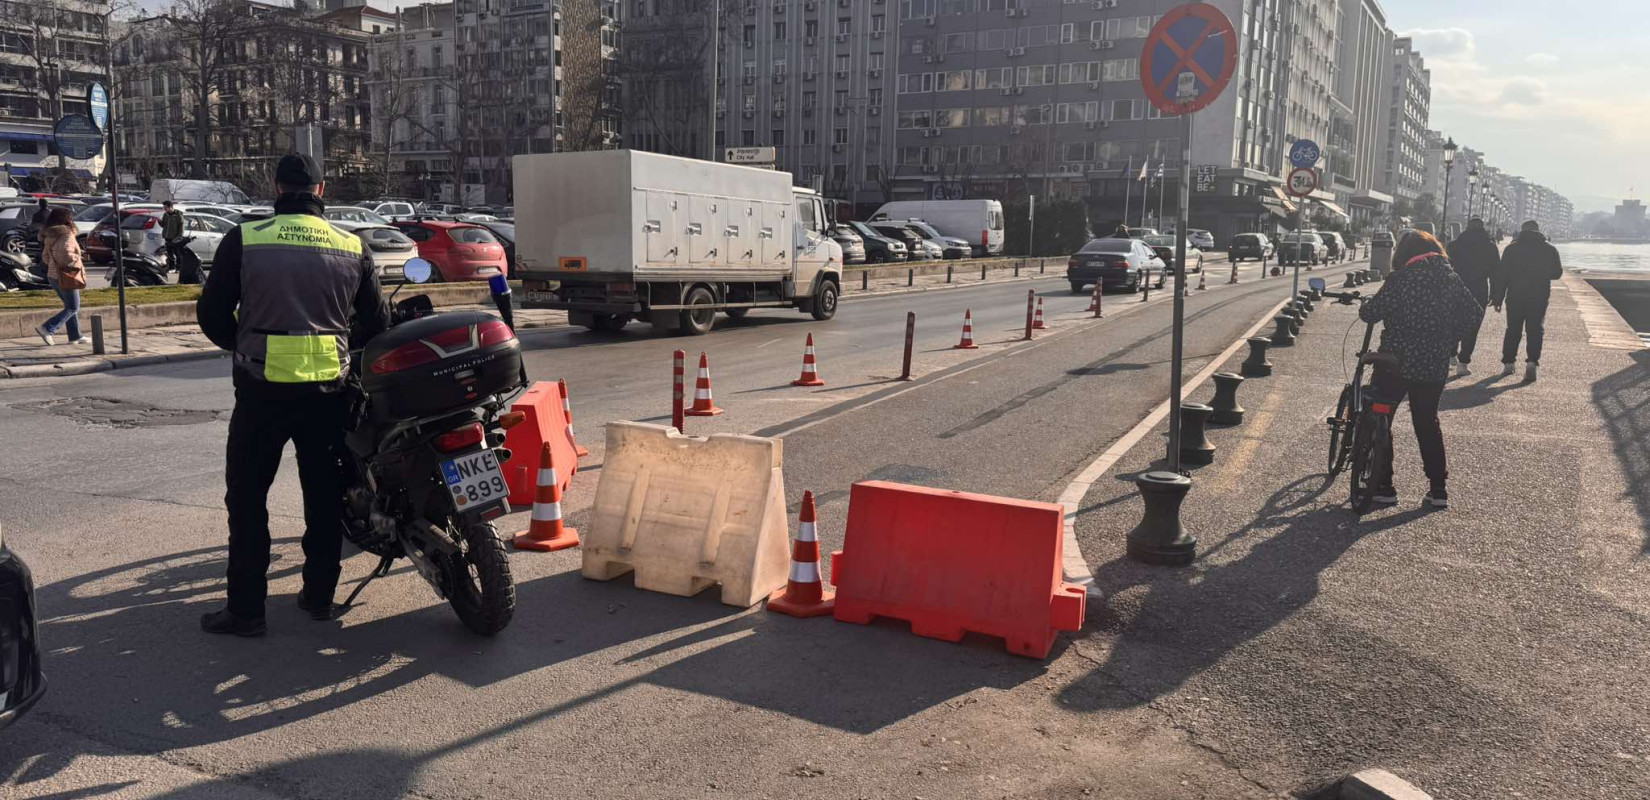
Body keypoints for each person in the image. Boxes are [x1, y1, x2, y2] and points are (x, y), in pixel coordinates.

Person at [196, 153, 389, 637]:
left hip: (261, 393)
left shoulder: (246, 238)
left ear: (276, 187)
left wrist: (243, 344)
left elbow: (213, 313)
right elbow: (376, 324)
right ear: (321, 191)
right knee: (323, 498)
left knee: (247, 501)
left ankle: (246, 612)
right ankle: (319, 597)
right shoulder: (351, 245)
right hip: (327, 394)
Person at [1358, 230, 1484, 509]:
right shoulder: (1451, 279)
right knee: (1427, 423)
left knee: (1381, 415)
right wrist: (1450, 339)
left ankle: (1383, 485)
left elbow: (1370, 313)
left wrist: (1369, 306)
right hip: (1433, 363)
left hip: (1395, 361)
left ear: (1403, 254)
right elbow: (1474, 313)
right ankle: (1438, 490)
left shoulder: (1401, 278)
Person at [1494, 220, 1563, 383]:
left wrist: (1498, 298)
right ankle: (1532, 362)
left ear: (1522, 231)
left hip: (1515, 295)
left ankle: (1509, 363)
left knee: (1513, 329)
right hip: (1539, 296)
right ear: (1538, 231)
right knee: (1535, 329)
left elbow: (1502, 275)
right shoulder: (1550, 249)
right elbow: (1557, 273)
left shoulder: (1512, 249)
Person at [1445, 217, 1501, 377]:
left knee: (1453, 321)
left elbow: (1447, 265)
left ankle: (1450, 354)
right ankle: (1463, 363)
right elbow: (1496, 272)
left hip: (1457, 288)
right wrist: (1496, 296)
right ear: (1483, 228)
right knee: (1473, 326)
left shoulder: (1456, 244)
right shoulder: (1490, 246)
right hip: (1479, 290)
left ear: (1467, 228)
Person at [34, 207, 90, 347]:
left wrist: (54, 264)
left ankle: (75, 336)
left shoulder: (50, 235)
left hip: (53, 275)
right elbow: (66, 255)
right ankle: (48, 328)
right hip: (67, 275)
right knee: (73, 307)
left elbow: (45, 257)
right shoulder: (67, 234)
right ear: (67, 219)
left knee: (69, 306)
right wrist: (78, 257)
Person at [160, 200, 186, 273]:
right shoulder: (166, 215)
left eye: (166, 208)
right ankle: (171, 267)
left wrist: (179, 237)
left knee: (177, 253)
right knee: (170, 253)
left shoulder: (178, 215)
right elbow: (163, 224)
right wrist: (159, 221)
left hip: (175, 238)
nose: (165, 210)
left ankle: (179, 268)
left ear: (170, 207)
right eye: (164, 208)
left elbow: (181, 227)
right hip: (167, 237)